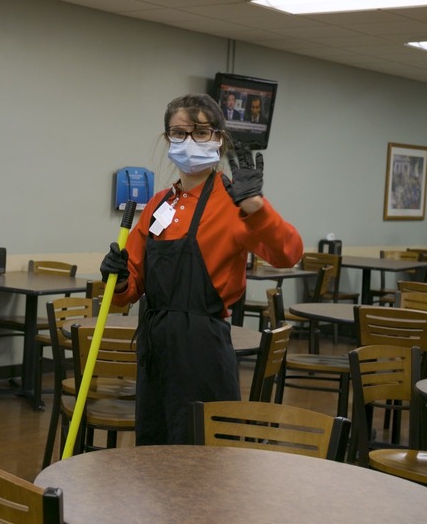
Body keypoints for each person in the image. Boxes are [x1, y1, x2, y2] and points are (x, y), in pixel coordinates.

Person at [99, 92, 303, 445]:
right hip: (155, 346)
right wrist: (115, 278)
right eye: (179, 133)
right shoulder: (157, 205)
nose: (189, 141)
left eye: (201, 132)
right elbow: (127, 293)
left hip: (202, 349)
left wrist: (257, 208)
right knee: (154, 448)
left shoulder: (237, 204)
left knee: (203, 454)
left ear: (219, 138)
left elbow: (289, 254)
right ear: (167, 140)